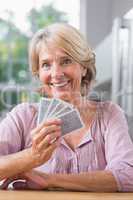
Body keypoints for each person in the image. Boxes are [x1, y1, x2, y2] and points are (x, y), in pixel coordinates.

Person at [0, 23, 133, 192]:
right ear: (38, 72)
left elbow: (128, 175)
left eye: (66, 61)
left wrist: (49, 180)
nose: (56, 73)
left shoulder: (109, 115)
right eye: (46, 64)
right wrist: (31, 156)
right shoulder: (23, 117)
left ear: (84, 67)